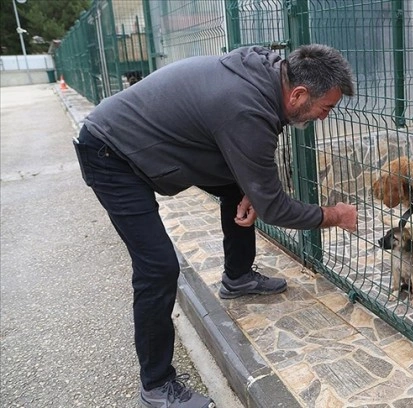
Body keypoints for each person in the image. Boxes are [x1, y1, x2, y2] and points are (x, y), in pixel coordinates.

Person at [73, 44, 357, 408]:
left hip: (147, 141)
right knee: (158, 268)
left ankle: (237, 278)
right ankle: (156, 386)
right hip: (111, 154)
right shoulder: (246, 108)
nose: (323, 118)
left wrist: (253, 186)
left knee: (239, 188)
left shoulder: (264, 75)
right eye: (326, 108)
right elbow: (274, 208)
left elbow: (253, 169)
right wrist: (335, 215)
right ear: (299, 93)